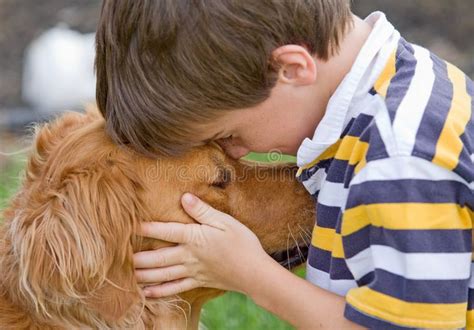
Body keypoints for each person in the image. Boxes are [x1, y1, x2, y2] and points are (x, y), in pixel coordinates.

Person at [95, 0, 474, 328]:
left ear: (291, 69)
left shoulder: (399, 159)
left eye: (230, 135)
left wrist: (253, 275)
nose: (239, 152)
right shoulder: (401, 87)